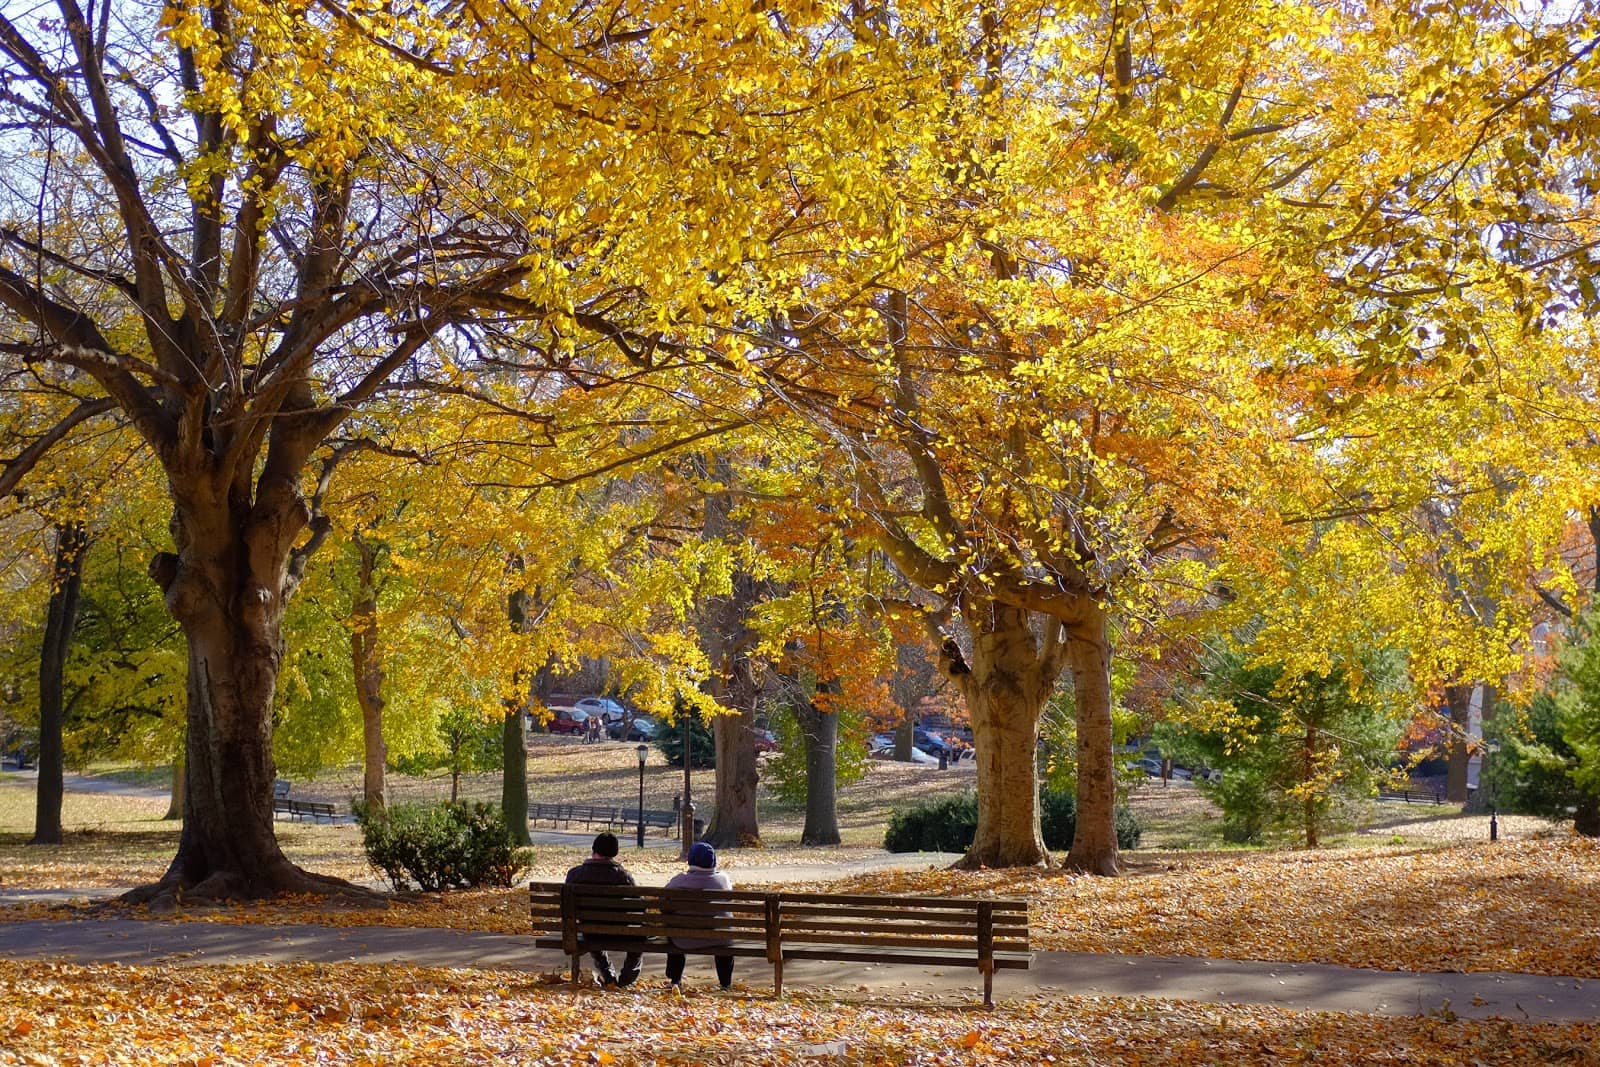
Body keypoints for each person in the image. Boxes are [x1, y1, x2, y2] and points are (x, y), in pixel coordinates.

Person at [564, 832, 642, 987]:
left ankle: (608, 975)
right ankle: (626, 979)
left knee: (591, 929)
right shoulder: (623, 877)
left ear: (594, 849)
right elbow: (637, 908)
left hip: (588, 931)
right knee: (640, 938)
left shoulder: (575, 874)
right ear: (615, 852)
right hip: (618, 932)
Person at [663, 842, 734, 990]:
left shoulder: (679, 880)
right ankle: (725, 983)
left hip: (684, 939)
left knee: (672, 930)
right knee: (724, 934)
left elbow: (664, 905)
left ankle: (675, 980)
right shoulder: (723, 880)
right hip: (718, 938)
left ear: (691, 860)